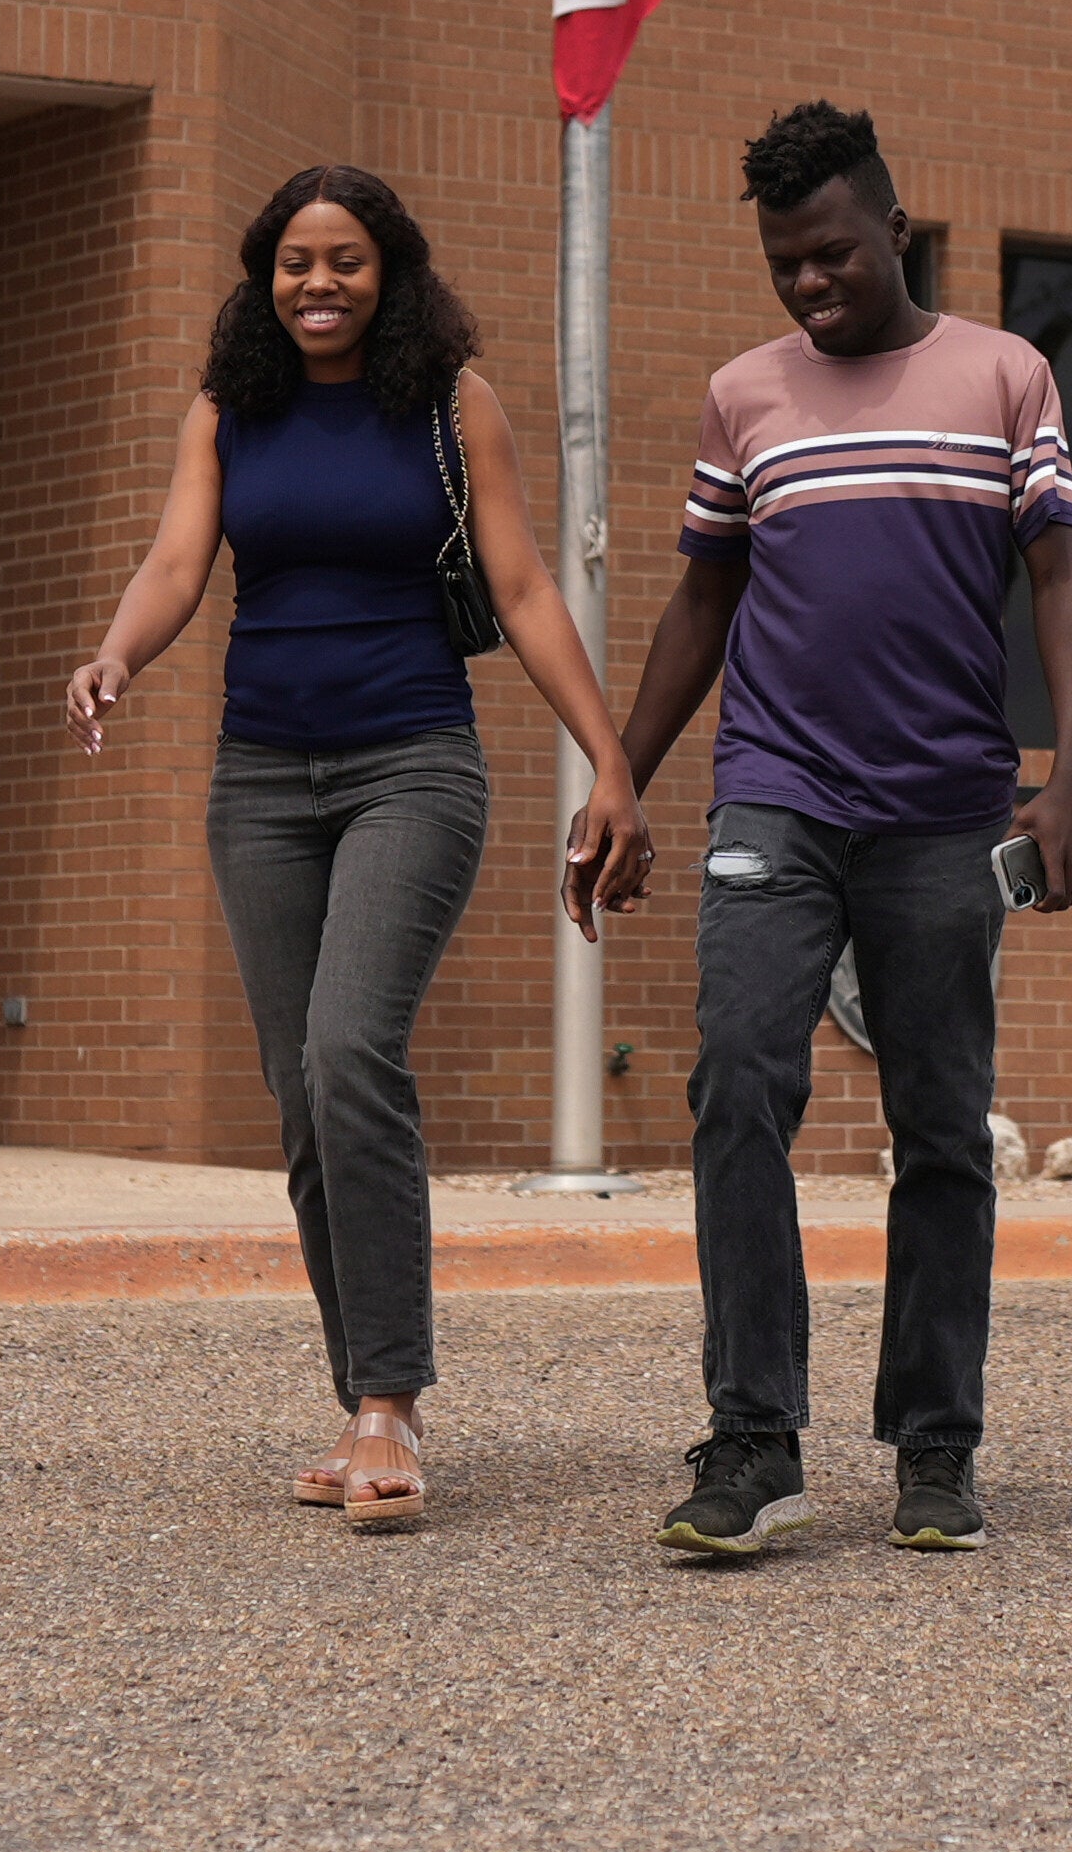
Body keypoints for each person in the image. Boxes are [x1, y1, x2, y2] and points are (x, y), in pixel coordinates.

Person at [68, 165, 649, 1530]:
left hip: (412, 765)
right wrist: (114, 652)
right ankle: (364, 1396)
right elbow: (174, 563)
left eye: (345, 260)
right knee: (300, 1091)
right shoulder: (229, 408)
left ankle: (389, 1397)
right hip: (261, 778)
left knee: (350, 1047)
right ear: (263, 277)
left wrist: (610, 756)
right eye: (292, 262)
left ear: (389, 270)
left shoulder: (452, 405)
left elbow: (517, 586)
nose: (317, 284)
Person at [612, 100, 1072, 1558]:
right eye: (785, 265)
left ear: (897, 223)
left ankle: (936, 1443)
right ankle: (752, 1435)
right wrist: (621, 774)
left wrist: (1068, 773)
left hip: (946, 810)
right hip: (777, 790)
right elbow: (704, 596)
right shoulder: (743, 396)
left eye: (832, 253)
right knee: (738, 1084)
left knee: (938, 1127)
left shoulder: (1004, 373)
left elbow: (1062, 576)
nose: (811, 285)